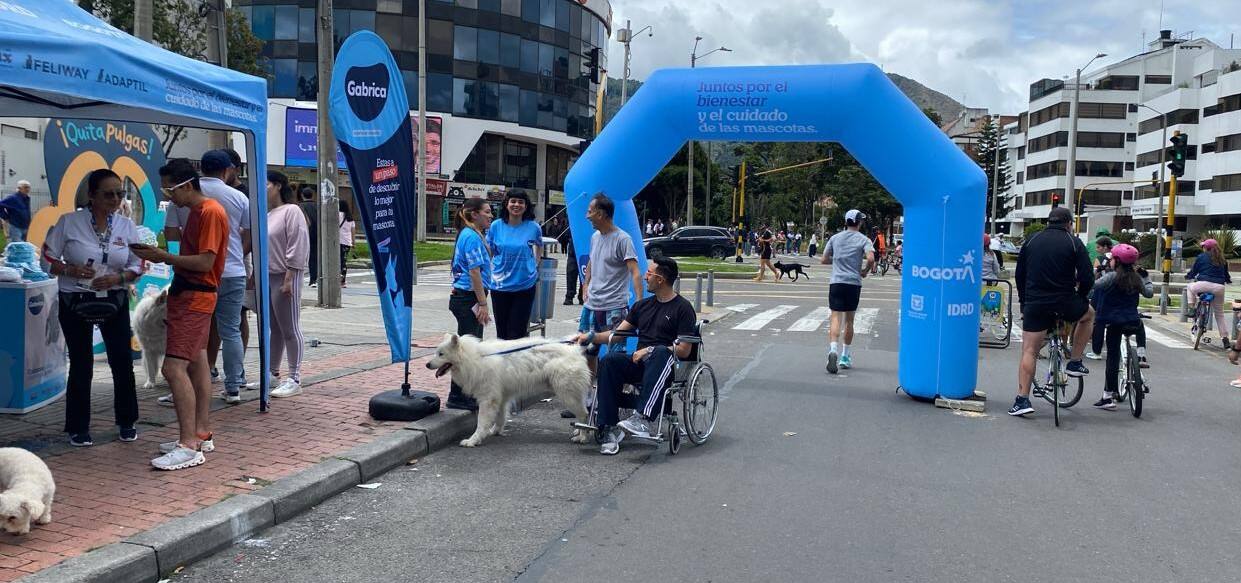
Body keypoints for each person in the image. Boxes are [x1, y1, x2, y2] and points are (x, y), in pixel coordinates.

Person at [131, 159, 230, 470]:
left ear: (187, 185)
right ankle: (200, 433)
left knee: (173, 368)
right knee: (198, 363)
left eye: (170, 190)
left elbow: (204, 262)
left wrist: (163, 256)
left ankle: (188, 445)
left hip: (195, 297)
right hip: (190, 294)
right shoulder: (198, 212)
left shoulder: (209, 212)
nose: (169, 197)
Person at [42, 169, 144, 447]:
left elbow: (138, 264)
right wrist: (70, 269)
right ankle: (77, 427)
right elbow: (47, 257)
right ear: (91, 195)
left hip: (114, 298)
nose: (115, 199)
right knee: (81, 362)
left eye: (119, 193)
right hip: (75, 298)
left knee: (122, 360)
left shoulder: (126, 225)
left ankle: (127, 421)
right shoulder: (69, 222)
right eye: (108, 194)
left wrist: (119, 278)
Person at [578, 256, 696, 455]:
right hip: (641, 364)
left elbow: (684, 349)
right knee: (610, 361)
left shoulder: (683, 308)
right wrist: (590, 337)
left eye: (649, 273)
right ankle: (609, 428)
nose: (645, 277)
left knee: (660, 351)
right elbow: (616, 335)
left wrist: (649, 350)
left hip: (668, 367)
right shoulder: (642, 306)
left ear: (660, 279)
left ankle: (642, 418)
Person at [167, 150, 251, 404]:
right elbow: (250, 232)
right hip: (232, 271)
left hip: (195, 275)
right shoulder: (237, 197)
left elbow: (171, 232)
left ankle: (187, 385)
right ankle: (233, 386)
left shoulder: (185, 195)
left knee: (197, 335)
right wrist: (234, 253)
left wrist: (183, 251)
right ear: (226, 170)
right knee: (230, 329)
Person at [1009, 207, 1095, 417]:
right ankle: (1075, 361)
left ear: (1048, 222)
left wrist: (1024, 302)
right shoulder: (1074, 242)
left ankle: (1022, 400)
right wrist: (1081, 297)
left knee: (1029, 350)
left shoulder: (1031, 241)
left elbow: (1020, 275)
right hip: (1065, 301)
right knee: (1089, 315)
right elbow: (1087, 276)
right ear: (1069, 223)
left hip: (1036, 302)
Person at [580, 193, 643, 375]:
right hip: (591, 306)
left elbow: (635, 271)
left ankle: (615, 388)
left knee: (615, 356)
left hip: (614, 307)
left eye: (590, 211)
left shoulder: (623, 239)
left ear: (601, 214)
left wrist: (639, 303)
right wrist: (586, 284)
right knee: (586, 350)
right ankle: (592, 388)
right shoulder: (595, 237)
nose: (587, 216)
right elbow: (592, 261)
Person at [1089, 243, 1152, 410]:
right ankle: (1141, 354)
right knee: (1140, 325)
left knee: (1113, 357)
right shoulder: (1136, 278)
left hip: (1114, 322)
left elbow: (1094, 286)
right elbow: (1149, 293)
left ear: (1116, 261)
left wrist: (1097, 273)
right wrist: (1146, 278)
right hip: (1132, 321)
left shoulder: (1111, 277)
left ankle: (1107, 396)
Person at [265, 171, 310, 398]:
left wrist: (290, 277)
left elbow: (297, 243)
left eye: (266, 184)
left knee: (290, 328)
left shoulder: (292, 211)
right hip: (269, 275)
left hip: (286, 275)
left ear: (278, 186)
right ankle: (272, 373)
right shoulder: (268, 214)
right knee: (275, 328)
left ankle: (294, 378)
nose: (262, 189)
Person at [446, 198, 493, 411]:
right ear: (474, 214)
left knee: (470, 348)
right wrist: (482, 303)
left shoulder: (472, 234)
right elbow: (474, 272)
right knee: (465, 351)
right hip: (468, 298)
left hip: (467, 297)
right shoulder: (471, 236)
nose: (491, 215)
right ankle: (458, 395)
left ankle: (465, 394)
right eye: (487, 212)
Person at [820, 209, 875, 373]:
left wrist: (837, 261)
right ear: (859, 222)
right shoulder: (864, 239)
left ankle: (833, 350)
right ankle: (845, 356)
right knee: (849, 320)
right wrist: (864, 271)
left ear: (846, 222)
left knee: (835, 317)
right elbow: (871, 258)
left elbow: (824, 259)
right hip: (853, 283)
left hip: (836, 282)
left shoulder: (835, 238)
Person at [487, 191, 542, 340]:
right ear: (506, 204)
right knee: (502, 333)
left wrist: (535, 265)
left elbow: (539, 246)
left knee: (518, 333)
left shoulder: (534, 227)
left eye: (521, 202)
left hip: (524, 285)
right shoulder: (496, 226)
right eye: (513, 201)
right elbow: (490, 251)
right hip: (500, 286)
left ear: (526, 206)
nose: (516, 205)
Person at [1186, 238, 1233, 349]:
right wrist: (1228, 281)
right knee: (1219, 314)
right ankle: (1225, 339)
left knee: (1190, 287)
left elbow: (1194, 271)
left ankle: (1192, 309)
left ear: (1205, 248)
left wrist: (1188, 276)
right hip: (1219, 287)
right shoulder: (1222, 259)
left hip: (1203, 284)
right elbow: (1226, 275)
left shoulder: (1201, 257)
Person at [1084, 236, 1114, 361]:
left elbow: (1095, 276)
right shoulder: (1117, 258)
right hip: (1115, 292)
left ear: (1105, 247)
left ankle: (1096, 351)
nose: (1097, 249)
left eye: (1098, 247)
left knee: (1097, 319)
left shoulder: (1101, 259)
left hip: (1101, 291)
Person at [299, 187, 319, 287]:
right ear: (313, 195)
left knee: (302, 257)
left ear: (302, 195)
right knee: (314, 257)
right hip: (317, 235)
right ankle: (314, 279)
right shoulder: (318, 206)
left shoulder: (300, 206)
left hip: (305, 235)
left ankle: (301, 279)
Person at [338, 200, 355, 289]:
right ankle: (343, 281)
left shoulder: (338, 215)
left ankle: (338, 279)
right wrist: (353, 243)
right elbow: (353, 231)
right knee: (344, 261)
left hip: (339, 241)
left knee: (338, 261)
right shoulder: (350, 217)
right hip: (347, 242)